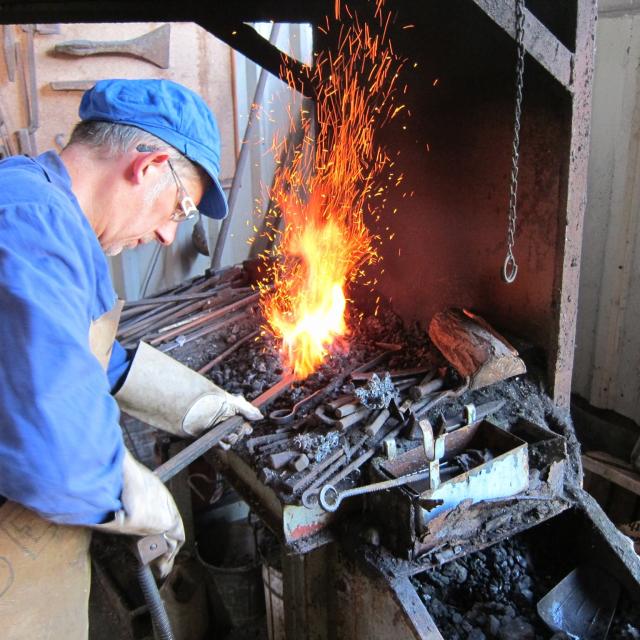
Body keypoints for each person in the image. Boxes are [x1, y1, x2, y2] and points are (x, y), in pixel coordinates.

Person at [0, 78, 262, 639]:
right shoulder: (28, 227)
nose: (170, 233)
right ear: (149, 166)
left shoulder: (49, 212)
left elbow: (90, 355)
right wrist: (140, 497)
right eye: (181, 206)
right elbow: (61, 461)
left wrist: (195, 403)